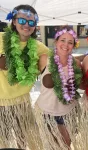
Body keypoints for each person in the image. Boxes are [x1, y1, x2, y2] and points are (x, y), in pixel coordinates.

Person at [0, 4, 49, 150]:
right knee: (3, 143)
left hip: (22, 103)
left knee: (24, 141)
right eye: (22, 21)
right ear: (14, 21)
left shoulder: (40, 48)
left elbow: (61, 59)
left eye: (31, 22)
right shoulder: (1, 38)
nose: (26, 25)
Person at [34, 26, 83, 150]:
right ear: (56, 41)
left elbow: (81, 85)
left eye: (70, 42)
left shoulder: (76, 64)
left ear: (74, 45)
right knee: (51, 146)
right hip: (47, 112)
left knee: (65, 146)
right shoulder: (44, 59)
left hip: (68, 111)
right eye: (63, 40)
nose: (66, 44)